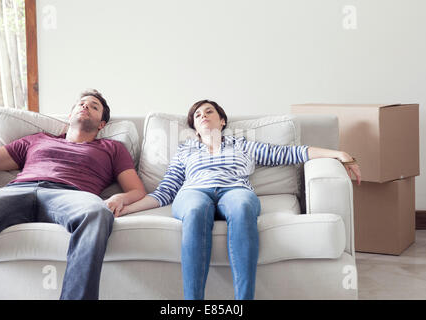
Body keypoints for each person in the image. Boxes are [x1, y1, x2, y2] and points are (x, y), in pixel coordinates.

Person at [115, 99, 361, 300]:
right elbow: (165, 192)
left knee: (243, 207)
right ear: (194, 126)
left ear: (222, 120)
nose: (202, 116)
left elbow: (291, 153)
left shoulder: (242, 145)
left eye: (208, 112)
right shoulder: (185, 151)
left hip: (235, 190)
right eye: (197, 115)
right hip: (194, 192)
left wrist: (339, 153)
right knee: (196, 210)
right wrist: (126, 209)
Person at [0, 89, 146, 300]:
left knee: (98, 213)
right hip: (19, 190)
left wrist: (119, 198)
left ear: (102, 124)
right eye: (81, 104)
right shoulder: (36, 140)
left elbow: (137, 190)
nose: (85, 106)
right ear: (70, 115)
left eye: (94, 106)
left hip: (71, 196)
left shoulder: (112, 148)